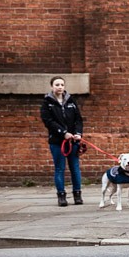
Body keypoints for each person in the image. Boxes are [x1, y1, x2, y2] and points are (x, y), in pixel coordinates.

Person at [40, 76, 84, 207]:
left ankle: (77, 194)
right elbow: (48, 121)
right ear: (51, 86)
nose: (60, 87)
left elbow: (78, 119)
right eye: (57, 84)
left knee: (75, 168)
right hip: (57, 141)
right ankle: (61, 195)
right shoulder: (47, 102)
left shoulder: (71, 101)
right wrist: (63, 133)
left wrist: (77, 133)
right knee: (59, 168)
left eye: (62, 85)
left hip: (73, 141)